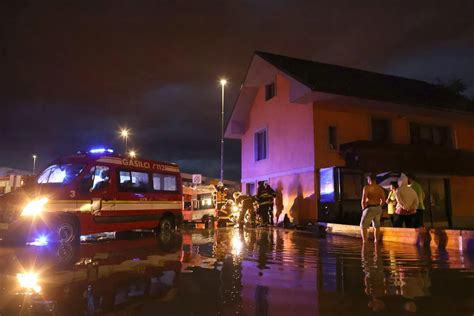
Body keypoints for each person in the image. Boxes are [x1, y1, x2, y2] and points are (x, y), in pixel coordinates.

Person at [360, 174, 386, 243]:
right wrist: (379, 206)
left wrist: (363, 209)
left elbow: (363, 200)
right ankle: (376, 241)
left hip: (370, 208)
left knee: (363, 226)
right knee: (377, 226)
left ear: (369, 179)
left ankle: (364, 242)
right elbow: (383, 200)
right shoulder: (380, 189)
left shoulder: (367, 187)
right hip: (378, 208)